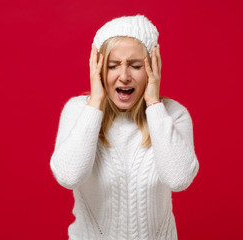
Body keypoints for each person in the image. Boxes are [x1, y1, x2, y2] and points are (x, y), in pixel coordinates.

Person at [50, 15, 199, 240]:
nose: (124, 76)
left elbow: (178, 179)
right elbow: (69, 176)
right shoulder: (79, 110)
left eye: (136, 65)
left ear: (152, 67)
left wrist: (154, 104)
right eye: (113, 66)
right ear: (98, 69)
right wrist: (95, 103)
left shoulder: (173, 114)